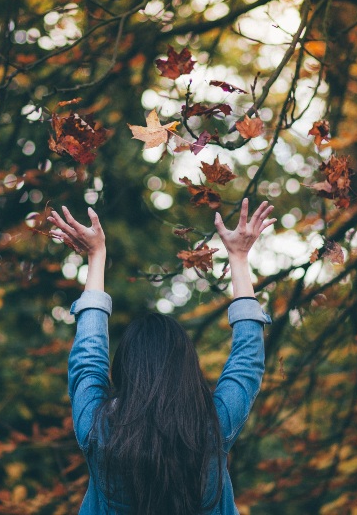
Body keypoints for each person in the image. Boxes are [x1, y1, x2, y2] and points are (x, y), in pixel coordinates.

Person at [48, 199, 276, 514]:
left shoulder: (98, 431)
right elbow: (246, 361)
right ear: (187, 370)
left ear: (125, 370)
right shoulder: (214, 427)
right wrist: (238, 258)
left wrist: (96, 256)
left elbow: (88, 359)